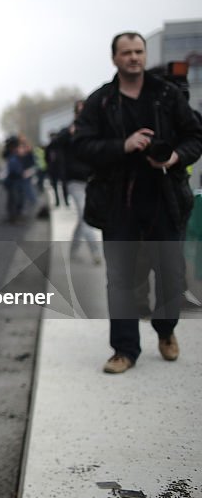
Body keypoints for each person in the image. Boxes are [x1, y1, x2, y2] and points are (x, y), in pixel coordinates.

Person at [74, 31, 202, 374]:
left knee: (172, 275)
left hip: (166, 199)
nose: (133, 57)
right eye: (126, 52)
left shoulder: (167, 95)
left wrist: (174, 156)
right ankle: (125, 350)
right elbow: (82, 147)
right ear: (114, 58)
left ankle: (166, 330)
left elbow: (195, 136)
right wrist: (123, 145)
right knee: (120, 279)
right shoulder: (101, 101)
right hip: (118, 203)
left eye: (139, 51)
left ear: (145, 56)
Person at [51, 100, 101, 264]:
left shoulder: (95, 130)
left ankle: (73, 250)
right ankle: (96, 253)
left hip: (92, 180)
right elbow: (54, 144)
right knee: (84, 215)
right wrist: (69, 134)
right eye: (80, 111)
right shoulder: (68, 131)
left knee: (82, 218)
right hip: (74, 182)